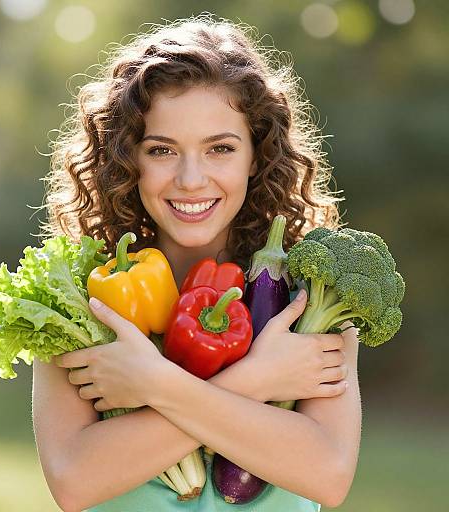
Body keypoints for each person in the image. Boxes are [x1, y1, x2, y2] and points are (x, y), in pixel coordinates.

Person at [32, 14, 361, 512]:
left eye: (220, 149)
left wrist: (152, 384)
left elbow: (328, 474)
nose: (190, 179)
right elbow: (75, 482)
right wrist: (256, 379)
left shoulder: (313, 297)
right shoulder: (81, 300)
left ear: (257, 155)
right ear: (127, 160)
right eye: (161, 150)